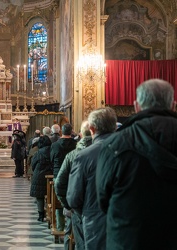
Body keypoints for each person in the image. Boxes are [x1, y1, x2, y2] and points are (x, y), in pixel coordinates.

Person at [96, 79, 177, 250]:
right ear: (173, 105)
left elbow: (103, 199)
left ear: (136, 106)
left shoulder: (114, 144)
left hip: (129, 239)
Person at [67, 107, 117, 250]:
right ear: (114, 127)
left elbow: (73, 198)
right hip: (126, 221)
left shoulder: (84, 156)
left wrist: (87, 213)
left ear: (92, 129)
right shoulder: (132, 150)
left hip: (94, 221)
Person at [54, 120, 92, 250]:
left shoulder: (73, 155)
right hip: (101, 210)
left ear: (81, 134)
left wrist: (67, 204)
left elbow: (59, 183)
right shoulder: (108, 152)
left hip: (77, 207)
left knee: (71, 233)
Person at [50, 123, 77, 233]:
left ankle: (60, 227)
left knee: (58, 202)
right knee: (73, 200)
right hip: (72, 174)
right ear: (71, 132)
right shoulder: (76, 144)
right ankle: (72, 228)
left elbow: (51, 159)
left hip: (58, 174)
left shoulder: (55, 145)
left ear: (61, 131)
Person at [29, 135, 52, 221]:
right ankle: (51, 212)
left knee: (40, 196)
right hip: (51, 175)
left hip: (39, 176)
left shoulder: (38, 153)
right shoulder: (53, 151)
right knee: (51, 194)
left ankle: (41, 215)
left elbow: (33, 164)